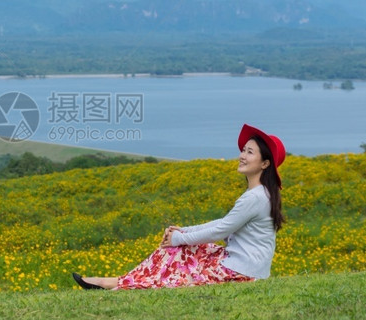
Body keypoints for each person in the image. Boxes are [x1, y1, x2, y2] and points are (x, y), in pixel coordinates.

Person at [72, 123, 285, 290]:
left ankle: (117, 283)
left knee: (177, 255)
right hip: (244, 267)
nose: (241, 156)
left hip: (240, 272)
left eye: (249, 152)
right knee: (178, 251)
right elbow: (224, 223)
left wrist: (179, 238)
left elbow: (221, 230)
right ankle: (117, 282)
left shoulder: (254, 197)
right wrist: (183, 231)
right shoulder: (259, 194)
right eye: (243, 150)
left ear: (265, 164)